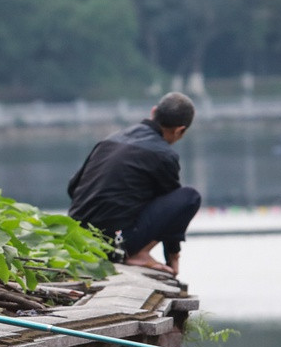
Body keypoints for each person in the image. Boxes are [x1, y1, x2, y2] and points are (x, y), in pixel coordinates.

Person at [67, 91, 201, 276]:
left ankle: (131, 247)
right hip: (116, 243)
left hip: (79, 239)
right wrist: (173, 257)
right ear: (180, 130)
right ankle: (138, 254)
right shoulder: (164, 155)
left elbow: (73, 187)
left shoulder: (110, 140)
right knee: (190, 197)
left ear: (153, 112)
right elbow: (173, 211)